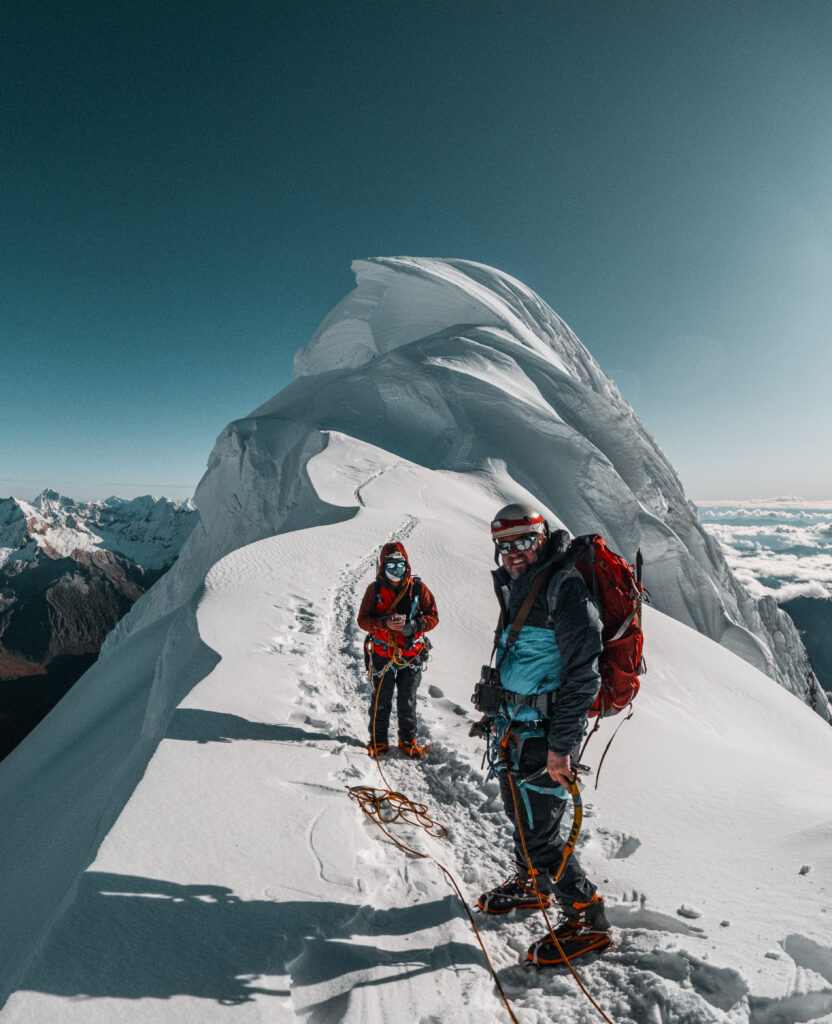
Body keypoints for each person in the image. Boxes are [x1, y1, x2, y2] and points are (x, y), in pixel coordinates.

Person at [471, 503, 611, 965]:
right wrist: (497, 713)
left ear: (542, 537)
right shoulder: (520, 586)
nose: (512, 553)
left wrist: (560, 747)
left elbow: (583, 676)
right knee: (523, 816)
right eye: (504, 545)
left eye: (523, 541)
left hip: (546, 734)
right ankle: (532, 886)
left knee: (543, 835)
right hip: (516, 726)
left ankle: (588, 919)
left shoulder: (563, 588)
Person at [357, 541, 438, 758]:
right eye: (391, 567)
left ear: (407, 566)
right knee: (381, 700)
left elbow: (433, 616)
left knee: (407, 701)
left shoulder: (418, 589)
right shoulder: (374, 591)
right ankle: (378, 742)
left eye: (400, 567)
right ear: (383, 567)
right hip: (383, 654)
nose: (396, 571)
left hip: (411, 654)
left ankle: (407, 742)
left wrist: (416, 625)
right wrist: (383, 624)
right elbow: (363, 620)